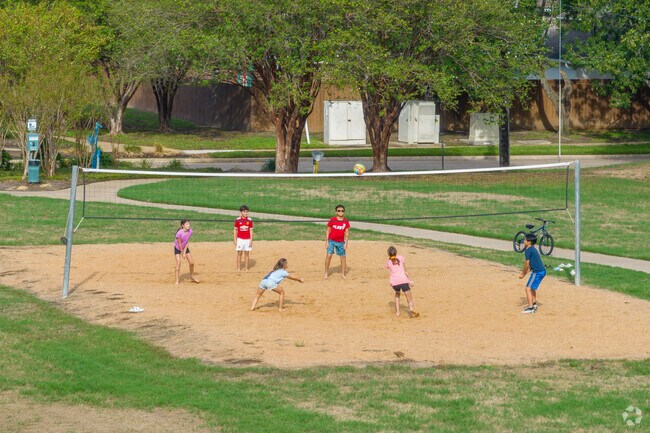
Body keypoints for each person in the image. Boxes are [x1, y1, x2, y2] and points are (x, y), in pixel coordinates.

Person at [386, 246, 419, 318]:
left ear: (388, 254)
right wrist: (410, 280)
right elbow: (405, 271)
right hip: (403, 281)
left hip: (395, 283)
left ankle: (398, 312)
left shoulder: (388, 262)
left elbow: (391, 268)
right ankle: (411, 309)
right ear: (396, 252)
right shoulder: (400, 258)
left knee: (397, 294)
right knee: (409, 298)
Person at [519, 233, 546, 314]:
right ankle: (534, 304)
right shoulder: (533, 249)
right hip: (541, 271)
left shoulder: (528, 250)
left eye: (525, 240)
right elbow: (532, 265)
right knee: (532, 288)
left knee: (527, 288)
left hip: (537, 272)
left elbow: (527, 264)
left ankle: (531, 308)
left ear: (529, 242)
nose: (524, 241)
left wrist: (523, 274)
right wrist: (526, 273)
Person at [324, 204, 350, 279]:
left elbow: (347, 233)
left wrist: (346, 243)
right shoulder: (333, 220)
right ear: (336, 212)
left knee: (343, 257)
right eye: (339, 211)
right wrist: (327, 242)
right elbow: (328, 230)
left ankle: (343, 274)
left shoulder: (345, 221)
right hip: (331, 241)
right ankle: (326, 272)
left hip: (341, 242)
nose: (340, 212)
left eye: (342, 211)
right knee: (329, 256)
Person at [174, 219, 199, 284]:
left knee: (191, 263)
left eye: (189, 224)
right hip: (177, 248)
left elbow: (187, 241)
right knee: (178, 263)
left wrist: (184, 252)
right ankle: (177, 280)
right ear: (183, 225)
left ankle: (192, 276)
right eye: (187, 224)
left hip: (185, 247)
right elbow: (179, 244)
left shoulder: (190, 231)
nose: (189, 225)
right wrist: (182, 253)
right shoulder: (179, 233)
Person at [234, 205, 254, 271]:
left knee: (247, 253)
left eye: (247, 212)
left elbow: (251, 230)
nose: (246, 213)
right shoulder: (237, 220)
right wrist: (235, 239)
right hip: (240, 239)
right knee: (239, 253)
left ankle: (246, 268)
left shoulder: (249, 220)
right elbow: (235, 230)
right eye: (244, 212)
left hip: (247, 239)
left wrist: (251, 240)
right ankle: (238, 268)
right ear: (241, 212)